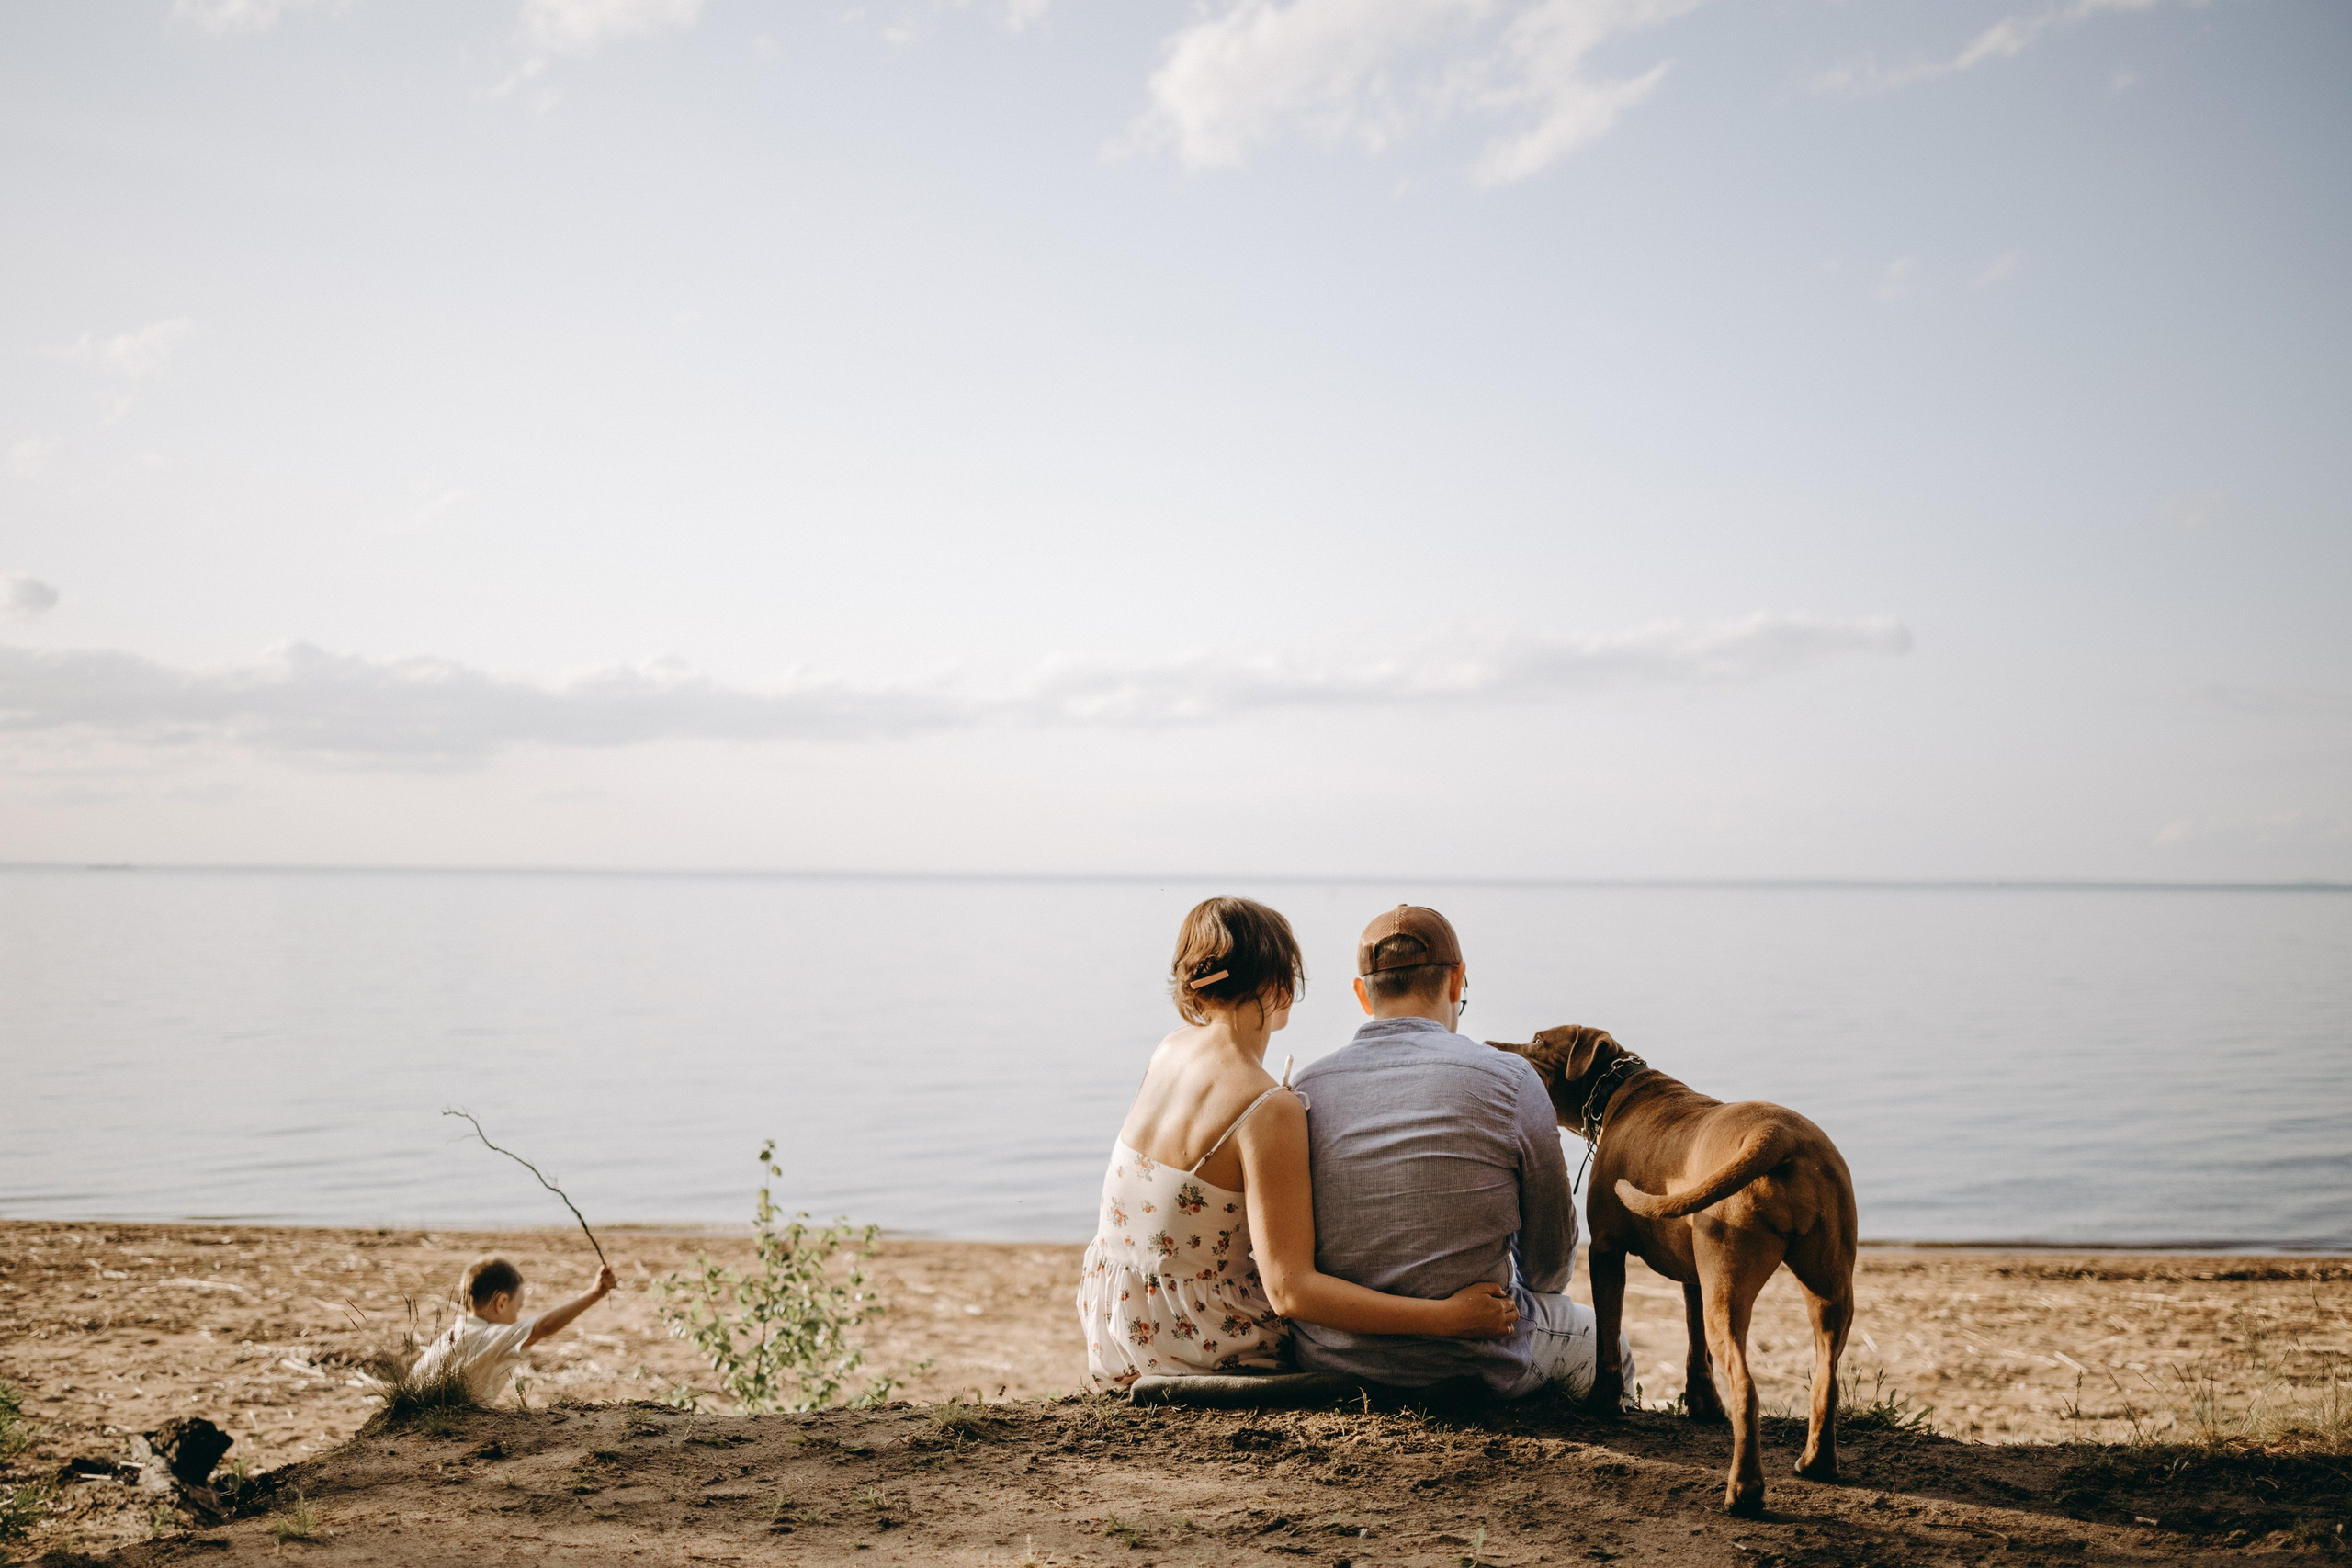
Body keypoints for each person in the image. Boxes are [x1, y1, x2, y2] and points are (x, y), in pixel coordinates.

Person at [1078, 897, 1520, 1387]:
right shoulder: (1267, 1108)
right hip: (1196, 1341)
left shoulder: (1171, 1048)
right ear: (1281, 986)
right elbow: (1291, 1293)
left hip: (1117, 1326)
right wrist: (1447, 1318)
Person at [1290, 904, 1635, 1400]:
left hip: (1333, 1360)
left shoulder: (1306, 1088)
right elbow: (1548, 1266)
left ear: (1362, 994)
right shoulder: (1511, 1080)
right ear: (1457, 982)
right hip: (1473, 1359)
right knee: (1611, 1341)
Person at [409, 1254, 618, 1404]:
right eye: (518, 1308)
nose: (518, 1317)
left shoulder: (448, 1339)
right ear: (501, 1303)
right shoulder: (489, 1337)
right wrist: (595, 1293)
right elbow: (544, 1327)